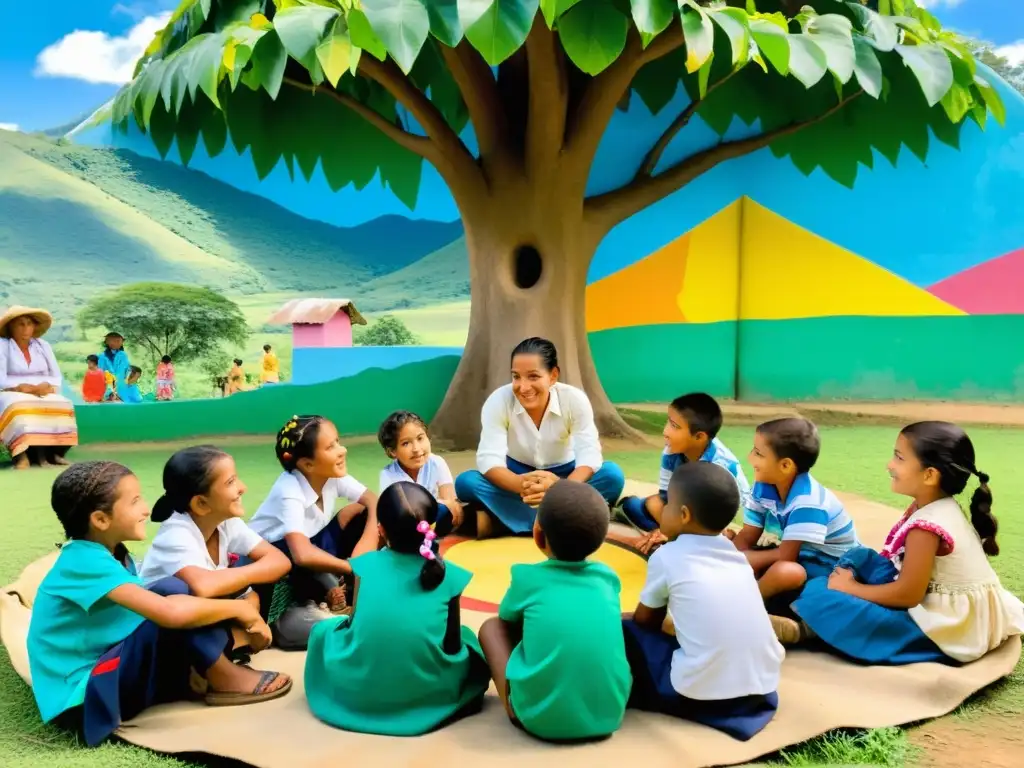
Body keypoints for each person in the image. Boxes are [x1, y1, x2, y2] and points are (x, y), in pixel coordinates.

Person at [27, 461, 292, 747]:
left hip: (110, 667)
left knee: (174, 591)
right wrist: (241, 609)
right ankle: (225, 678)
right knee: (171, 599)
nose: (146, 509)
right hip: (83, 700)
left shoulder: (109, 553)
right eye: (135, 501)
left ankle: (203, 672)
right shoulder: (82, 561)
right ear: (101, 520)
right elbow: (168, 612)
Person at [774, 422, 1024, 664]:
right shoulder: (935, 505)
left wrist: (851, 589)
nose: (889, 465)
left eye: (899, 458)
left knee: (824, 594)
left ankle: (802, 630)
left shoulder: (926, 529)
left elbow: (908, 595)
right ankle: (818, 611)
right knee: (860, 557)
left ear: (929, 475)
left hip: (943, 627)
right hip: (931, 598)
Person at [305, 482, 491, 735]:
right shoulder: (450, 576)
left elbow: (354, 625)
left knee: (323, 632)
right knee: (469, 638)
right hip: (430, 694)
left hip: (361, 693)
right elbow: (452, 644)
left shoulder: (364, 566)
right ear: (431, 529)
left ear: (380, 530)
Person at [622, 462, 784, 741]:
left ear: (684, 515)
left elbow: (645, 622)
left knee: (624, 630)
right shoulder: (738, 558)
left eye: (668, 504)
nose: (663, 509)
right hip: (763, 690)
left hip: (702, 696)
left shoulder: (667, 557)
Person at [478, 481, 631, 742]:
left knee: (491, 628)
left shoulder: (526, 578)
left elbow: (507, 619)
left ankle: (515, 707)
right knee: (611, 623)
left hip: (537, 720)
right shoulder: (608, 579)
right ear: (601, 539)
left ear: (538, 536)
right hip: (610, 715)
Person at [454, 338, 625, 539]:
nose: (523, 387)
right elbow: (489, 459)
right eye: (516, 376)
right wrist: (522, 485)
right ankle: (562, 518)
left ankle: (500, 522)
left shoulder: (574, 400)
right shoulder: (499, 400)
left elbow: (589, 455)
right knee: (467, 483)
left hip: (565, 475)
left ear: (553, 376)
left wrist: (558, 488)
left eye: (533, 376)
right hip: (516, 476)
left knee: (612, 476)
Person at [139, 446, 291, 656]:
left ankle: (234, 643)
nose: (242, 488)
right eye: (231, 482)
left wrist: (248, 596)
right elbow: (204, 586)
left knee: (249, 576)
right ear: (201, 503)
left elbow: (280, 561)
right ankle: (229, 652)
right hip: (158, 632)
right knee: (181, 587)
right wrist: (244, 598)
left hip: (211, 613)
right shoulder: (176, 533)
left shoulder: (227, 523)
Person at [248, 415, 379, 619]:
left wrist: (363, 554)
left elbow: (374, 501)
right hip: (281, 560)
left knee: (358, 512)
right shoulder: (289, 490)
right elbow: (302, 554)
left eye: (338, 442)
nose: (342, 450)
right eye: (330, 447)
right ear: (308, 465)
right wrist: (350, 567)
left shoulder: (332, 476)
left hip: (313, 544)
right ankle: (325, 593)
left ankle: (342, 589)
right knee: (302, 558)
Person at [733, 418, 859, 605]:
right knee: (726, 545)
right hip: (798, 555)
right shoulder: (762, 488)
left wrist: (741, 559)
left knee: (788, 572)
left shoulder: (808, 503)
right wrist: (731, 556)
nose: (750, 458)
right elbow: (747, 535)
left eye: (758, 453)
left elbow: (786, 556)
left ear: (785, 466)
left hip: (831, 567)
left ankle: (748, 604)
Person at [619, 392, 751, 552]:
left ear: (699, 437)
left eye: (675, 426)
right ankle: (675, 537)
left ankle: (678, 539)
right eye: (669, 422)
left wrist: (669, 530)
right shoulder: (671, 452)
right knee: (634, 506)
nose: (665, 431)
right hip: (684, 511)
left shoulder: (719, 466)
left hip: (713, 520)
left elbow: (712, 515)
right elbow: (665, 497)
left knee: (712, 535)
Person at [0, 306, 77, 470]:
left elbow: (55, 374)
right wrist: (19, 387)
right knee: (19, 406)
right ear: (10, 327)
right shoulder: (3, 345)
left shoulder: (43, 345)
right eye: (20, 324)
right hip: (11, 391)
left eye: (29, 324)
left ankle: (55, 453)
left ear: (35, 327)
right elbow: (1, 378)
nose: (25, 328)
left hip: (43, 389)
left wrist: (46, 386)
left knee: (63, 403)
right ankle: (21, 454)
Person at [378, 410, 463, 536]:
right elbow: (395, 513)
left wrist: (446, 505)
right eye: (406, 443)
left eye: (420, 438)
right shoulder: (388, 474)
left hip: (433, 519)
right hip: (406, 526)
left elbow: (450, 502)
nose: (416, 449)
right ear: (392, 451)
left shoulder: (436, 463)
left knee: (448, 510)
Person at [97, 332, 130, 401]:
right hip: (106, 386)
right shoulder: (102, 356)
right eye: (112, 340)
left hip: (120, 386)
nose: (115, 343)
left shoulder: (123, 355)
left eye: (118, 341)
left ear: (122, 342)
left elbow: (125, 370)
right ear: (107, 342)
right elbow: (100, 371)